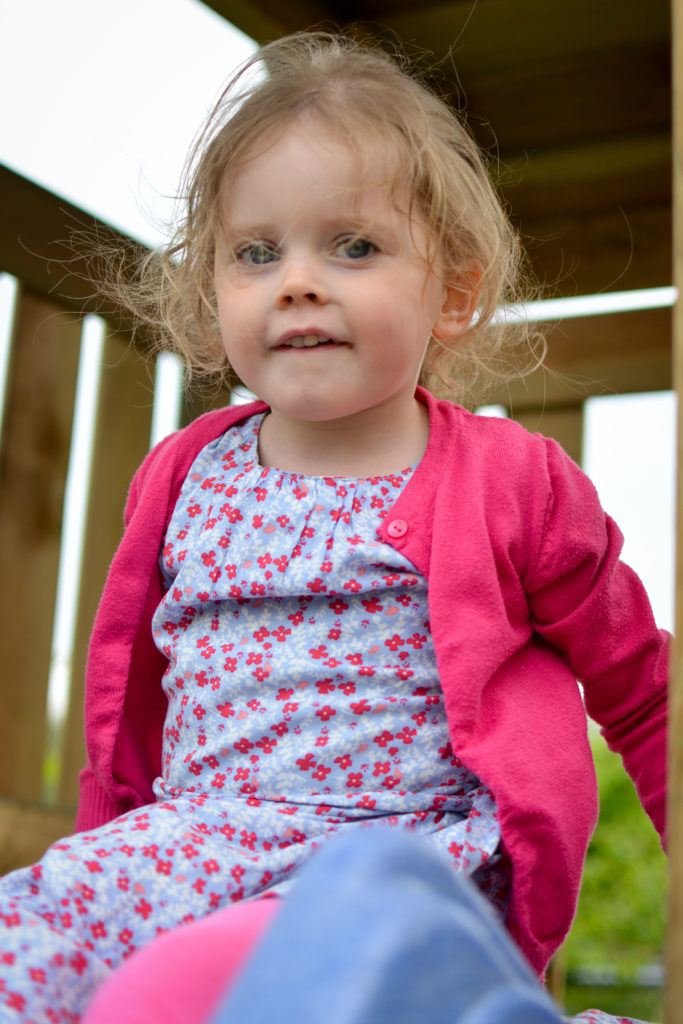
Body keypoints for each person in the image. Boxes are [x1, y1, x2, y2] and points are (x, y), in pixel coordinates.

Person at [0, 31, 667, 1024]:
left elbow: (642, 692)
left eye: (352, 246)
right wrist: (105, 852)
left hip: (394, 868)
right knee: (23, 943)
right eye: (255, 253)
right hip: (191, 845)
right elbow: (124, 709)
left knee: (211, 988)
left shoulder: (505, 482)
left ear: (452, 291)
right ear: (212, 287)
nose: (299, 281)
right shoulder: (184, 476)